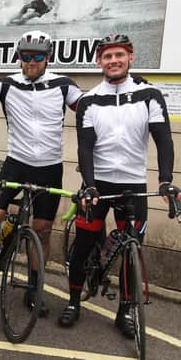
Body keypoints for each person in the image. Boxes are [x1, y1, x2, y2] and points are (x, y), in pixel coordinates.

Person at [59, 33, 181, 334]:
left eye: (119, 55)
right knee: (83, 245)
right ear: (99, 61)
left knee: (131, 250)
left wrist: (166, 180)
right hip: (98, 186)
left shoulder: (149, 94)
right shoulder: (89, 100)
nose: (113, 61)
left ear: (131, 57)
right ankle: (74, 301)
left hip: (133, 187)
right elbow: (85, 147)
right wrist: (88, 184)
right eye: (108, 56)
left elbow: (163, 140)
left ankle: (125, 312)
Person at [0, 30, 82, 316]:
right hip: (16, 163)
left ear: (48, 58)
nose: (31, 62)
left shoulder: (63, 85)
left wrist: (133, 93)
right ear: (18, 57)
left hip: (49, 168)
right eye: (26, 56)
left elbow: (92, 109)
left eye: (37, 57)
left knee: (42, 231)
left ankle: (34, 289)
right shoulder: (7, 85)